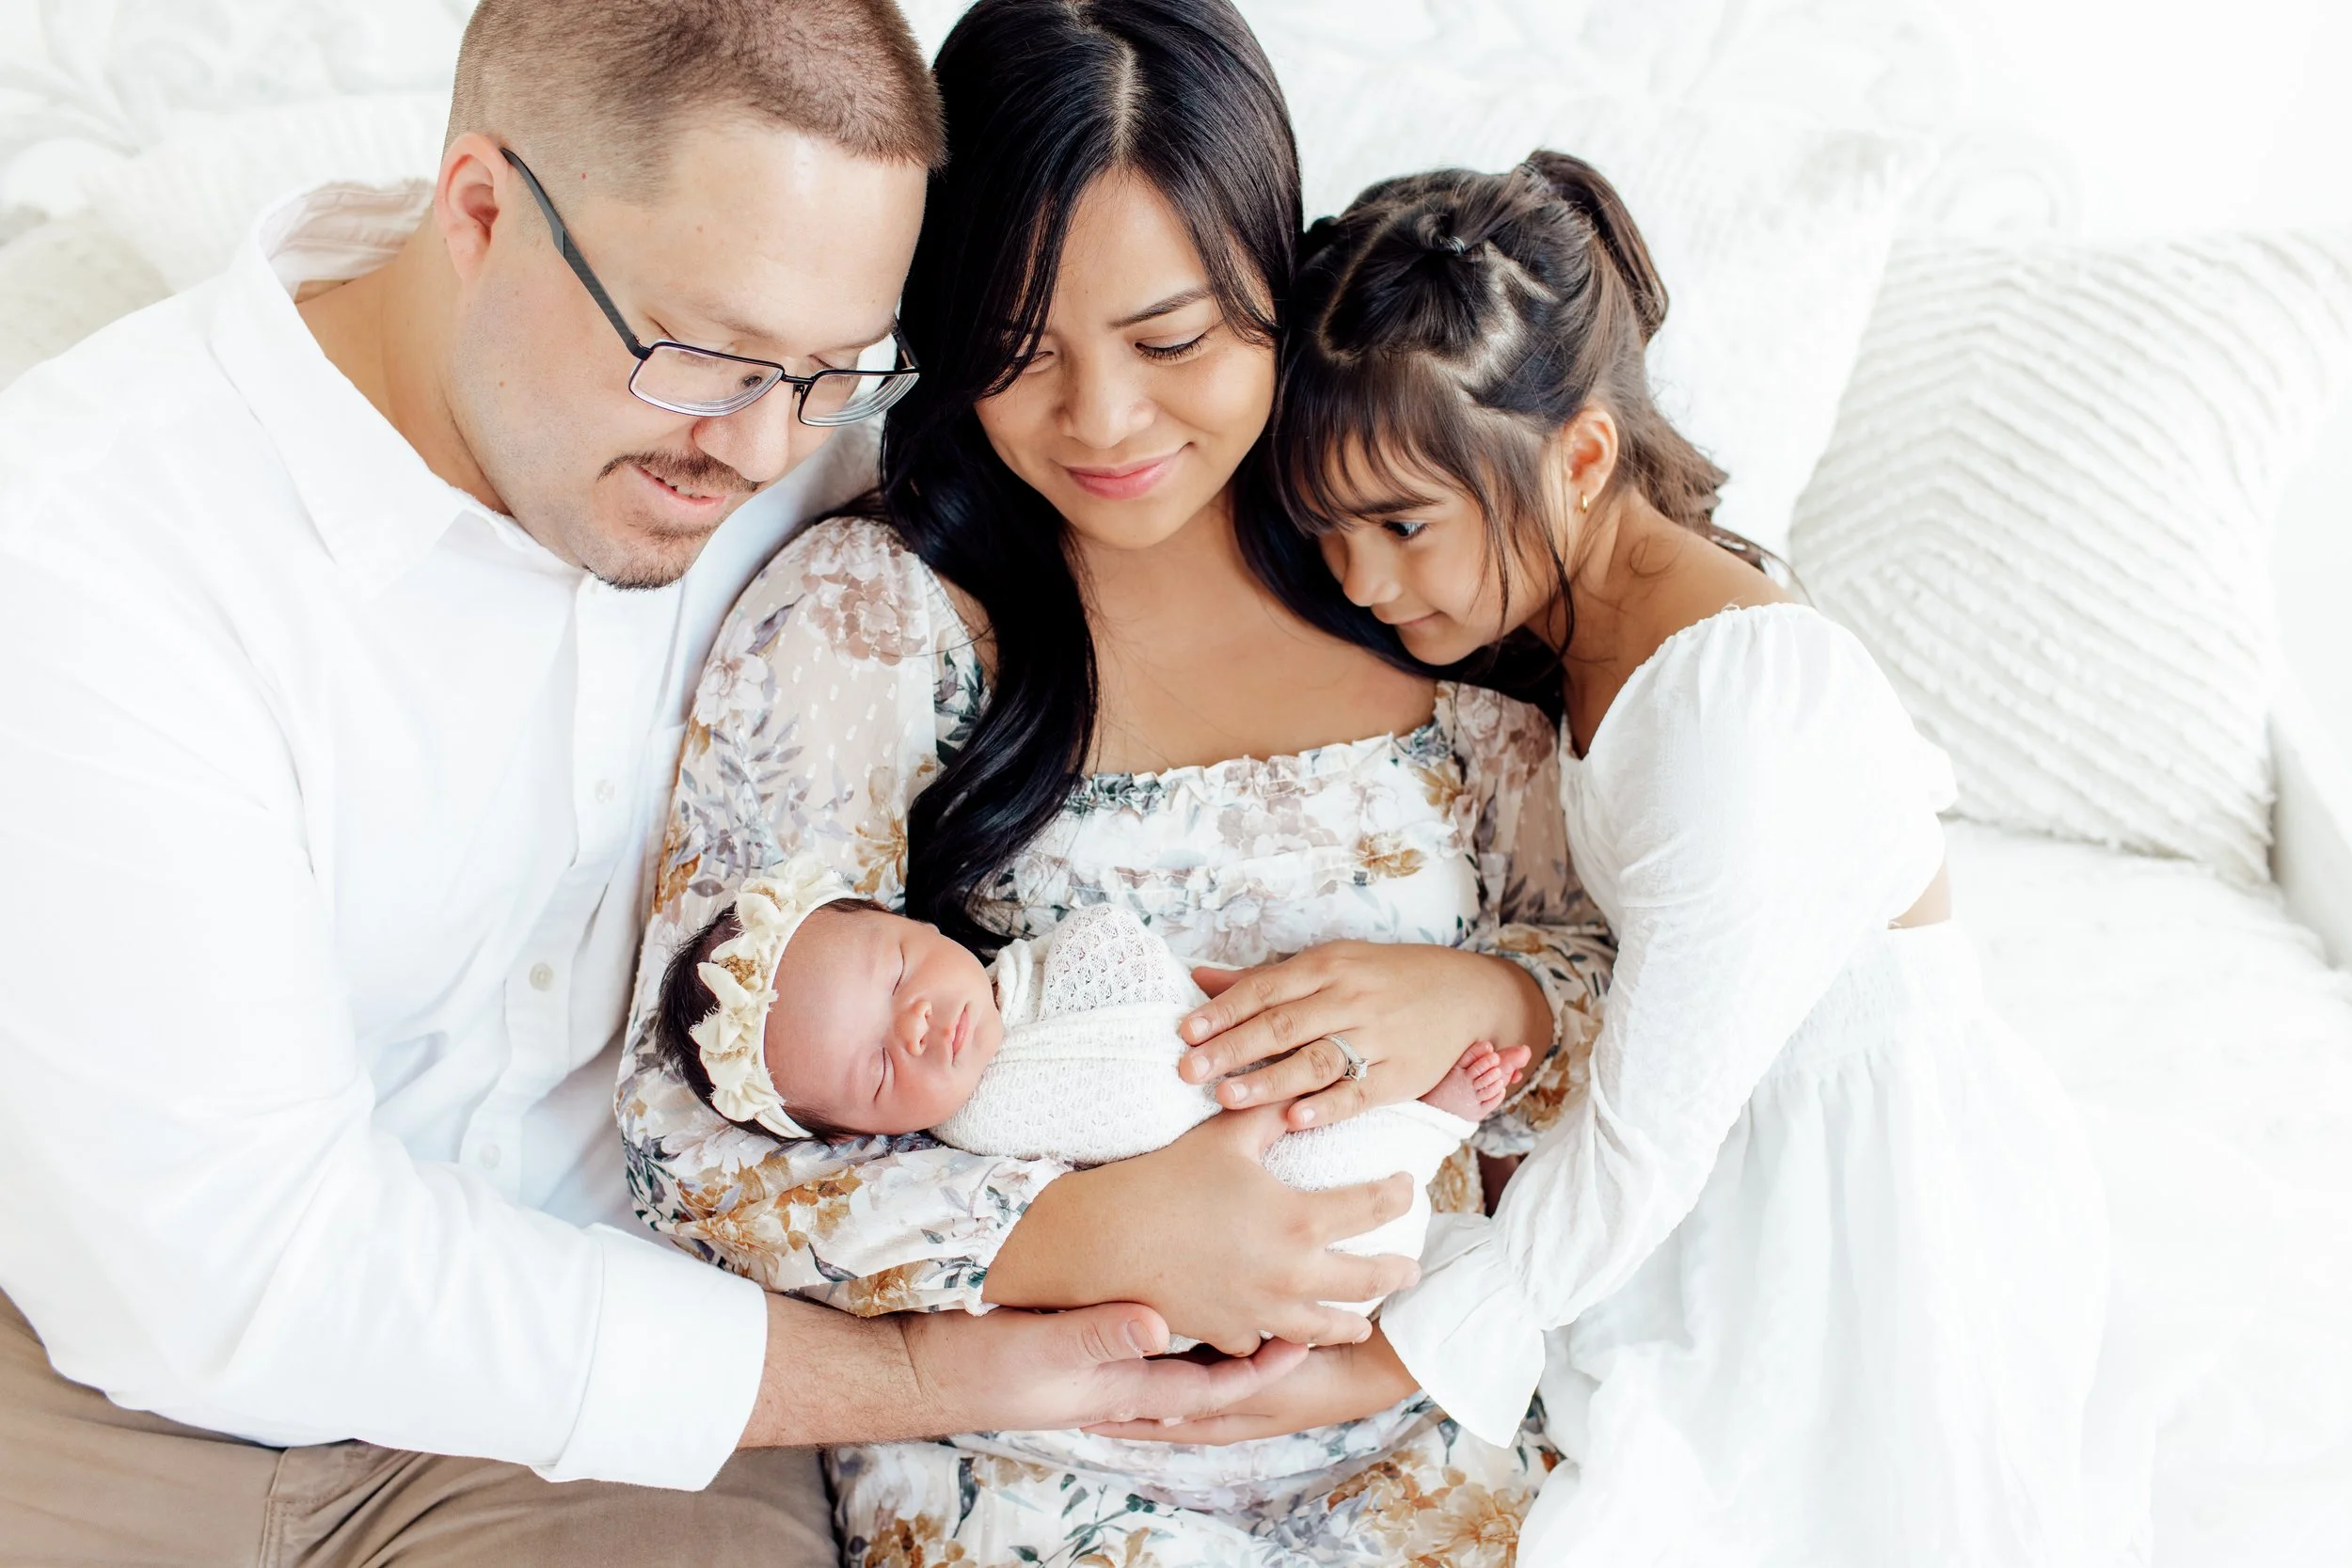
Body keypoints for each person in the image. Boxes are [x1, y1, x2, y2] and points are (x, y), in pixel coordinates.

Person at [0, 3, 1314, 1563]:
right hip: (100, 1368)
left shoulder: (815, 467)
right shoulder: (87, 555)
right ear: (478, 209)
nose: (762, 445)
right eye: (704, 353)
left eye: (830, 371)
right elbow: (240, 1264)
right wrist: (912, 1370)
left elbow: (1231, 369)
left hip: (628, 1431)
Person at [616, 2, 1613, 1563]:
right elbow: (682, 1136)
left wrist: (1482, 1007)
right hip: (1048, 1478)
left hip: (1446, 1434)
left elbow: (1652, 1021)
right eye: (1018, 353)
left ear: (1280, 288)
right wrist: (1075, 1232)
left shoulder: (1434, 576)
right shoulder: (877, 620)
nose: (1104, 421)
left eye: (1171, 340)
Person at [1239, 150, 2118, 1564]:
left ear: (1581, 456)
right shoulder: (1587, 630)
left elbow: (1648, 1135)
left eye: (1402, 524)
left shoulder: (1735, 703)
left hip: (1862, 1232)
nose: (1363, 580)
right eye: (1330, 528)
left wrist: (1400, 1353)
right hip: (1729, 1169)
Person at [646, 854, 1526, 1275]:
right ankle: (1436, 1123)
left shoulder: (1031, 965)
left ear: (913, 922)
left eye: (899, 972)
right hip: (1230, 1205)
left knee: (1334, 1105)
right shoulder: (978, 1136)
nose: (915, 1026)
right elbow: (1136, 1107)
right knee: (1315, 1159)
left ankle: (1435, 1118)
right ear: (864, 1136)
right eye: (878, 1071)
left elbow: (1135, 960)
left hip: (1255, 1064)